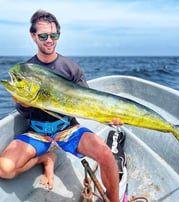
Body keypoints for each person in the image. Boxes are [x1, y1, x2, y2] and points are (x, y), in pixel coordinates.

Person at [0, 10, 121, 202]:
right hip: (37, 132)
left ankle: (114, 200)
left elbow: (88, 101)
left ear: (58, 35)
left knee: (106, 154)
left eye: (53, 35)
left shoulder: (71, 68)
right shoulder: (27, 70)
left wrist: (107, 118)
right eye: (43, 36)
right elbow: (23, 112)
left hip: (68, 128)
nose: (49, 40)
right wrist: (22, 104)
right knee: (4, 168)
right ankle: (45, 158)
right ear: (33, 37)